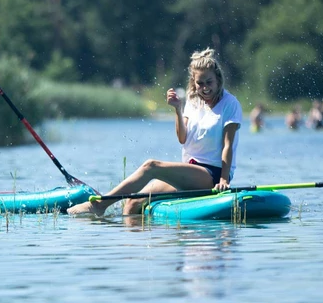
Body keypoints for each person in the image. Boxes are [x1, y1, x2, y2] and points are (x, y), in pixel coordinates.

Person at [67, 48, 242, 216]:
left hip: (213, 174)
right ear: (193, 83)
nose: (205, 88)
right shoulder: (192, 100)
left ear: (218, 79)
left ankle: (99, 205)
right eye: (200, 83)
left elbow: (228, 146)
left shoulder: (230, 104)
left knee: (151, 166)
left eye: (209, 82)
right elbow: (183, 138)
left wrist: (224, 180)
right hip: (189, 170)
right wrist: (177, 110)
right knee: (132, 203)